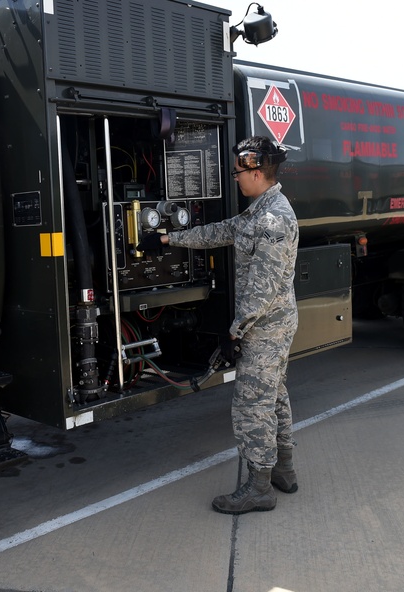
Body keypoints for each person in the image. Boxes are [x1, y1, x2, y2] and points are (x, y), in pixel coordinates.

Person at [138, 136, 299, 514]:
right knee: (274, 396)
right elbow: (219, 232)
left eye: (239, 173)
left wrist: (234, 331)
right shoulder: (259, 210)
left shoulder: (273, 218)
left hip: (265, 326)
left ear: (257, 172)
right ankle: (284, 470)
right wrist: (167, 237)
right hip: (271, 323)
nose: (236, 179)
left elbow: (262, 288)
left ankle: (260, 487)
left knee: (251, 405)